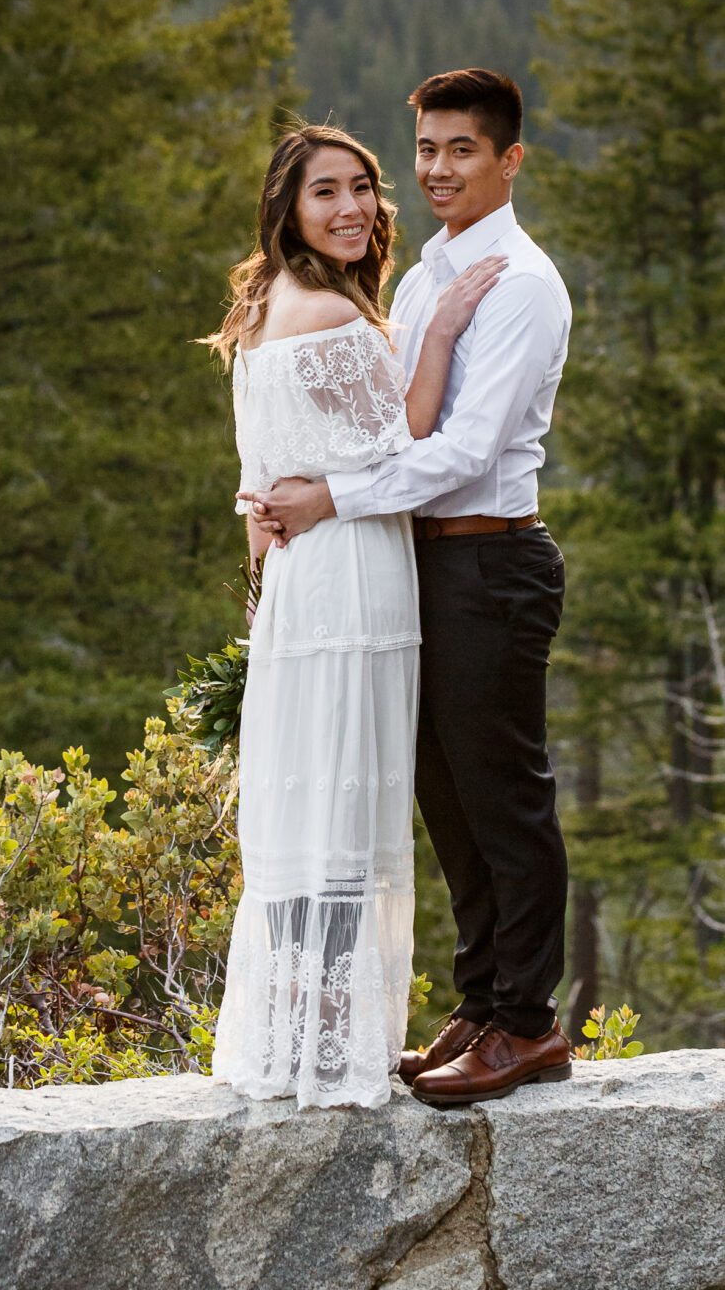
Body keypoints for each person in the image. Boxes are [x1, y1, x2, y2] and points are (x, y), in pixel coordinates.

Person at [254, 69, 574, 1107]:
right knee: (446, 797)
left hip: (491, 558)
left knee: (504, 796)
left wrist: (328, 499)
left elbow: (463, 448)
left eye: (462, 149)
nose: (438, 167)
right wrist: (282, 492)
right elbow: (394, 418)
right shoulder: (429, 272)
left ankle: (528, 1022)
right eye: (428, 149)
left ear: (509, 159)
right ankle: (482, 999)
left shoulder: (521, 283)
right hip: (421, 560)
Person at [209, 123, 501, 1110]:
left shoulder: (261, 306)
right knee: (345, 791)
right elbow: (404, 439)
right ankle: (332, 1041)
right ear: (288, 206)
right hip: (352, 575)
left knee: (311, 791)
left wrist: (265, 596)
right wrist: (448, 326)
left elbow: (259, 488)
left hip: (299, 582)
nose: (353, 207)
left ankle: (300, 1031)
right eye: (326, 191)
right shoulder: (328, 313)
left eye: (364, 188)